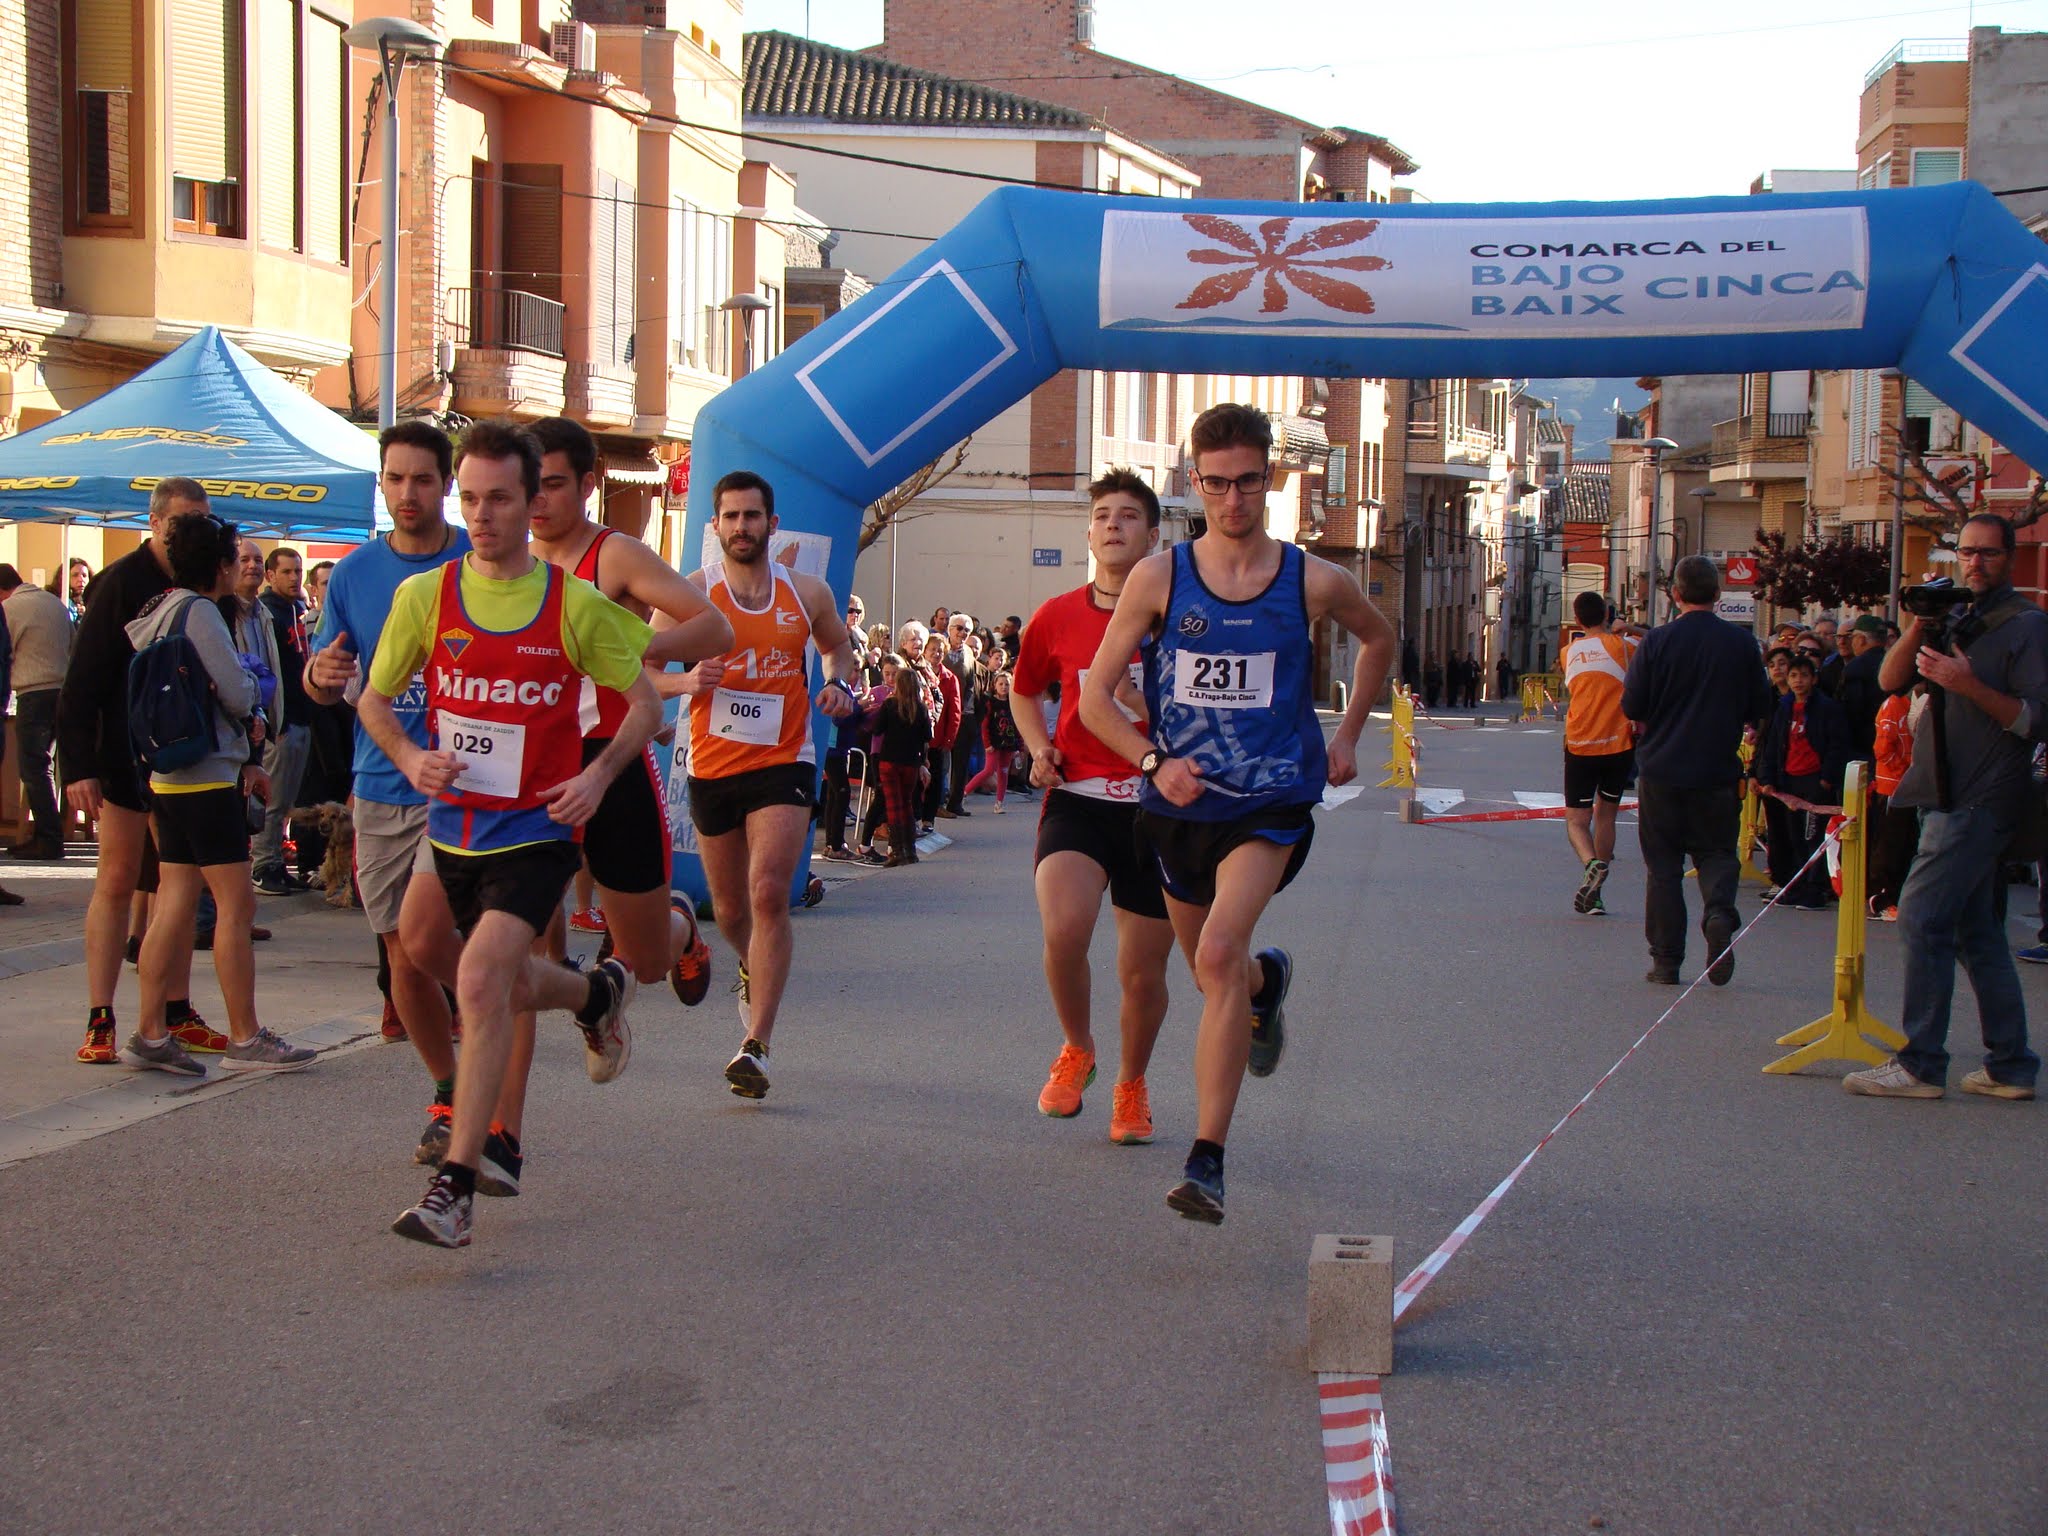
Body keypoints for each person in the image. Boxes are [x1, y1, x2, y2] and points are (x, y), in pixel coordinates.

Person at [1080, 404, 1396, 1224]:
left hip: (1272, 798)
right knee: (1215, 971)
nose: (1232, 500)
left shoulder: (1312, 579)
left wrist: (1349, 734)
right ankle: (1267, 986)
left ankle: (1207, 1160)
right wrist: (1153, 761)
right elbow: (1091, 699)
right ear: (1195, 483)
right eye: (1215, 485)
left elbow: (1380, 640)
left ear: (1269, 480)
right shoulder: (1159, 578)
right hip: (1179, 803)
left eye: (1247, 482)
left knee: (1217, 950)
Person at [362, 419, 656, 1247]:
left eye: (500, 498)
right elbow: (373, 701)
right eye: (471, 498)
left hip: (537, 827)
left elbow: (645, 705)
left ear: (532, 503)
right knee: (421, 948)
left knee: (488, 982)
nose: (482, 514)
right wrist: (412, 755)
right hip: (452, 826)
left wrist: (597, 777)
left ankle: (458, 1185)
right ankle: (596, 994)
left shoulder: (576, 605)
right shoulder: (426, 597)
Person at [303, 422, 472, 1160]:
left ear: (446, 484)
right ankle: (450, 1085)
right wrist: (321, 676)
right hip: (379, 784)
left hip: (469, 784)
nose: (409, 493)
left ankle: (505, 1020)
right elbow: (321, 672)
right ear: (384, 483)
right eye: (395, 479)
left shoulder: (480, 557)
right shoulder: (352, 574)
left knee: (444, 939)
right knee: (402, 956)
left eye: (423, 479)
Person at [527, 416, 730, 1006]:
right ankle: (585, 1007)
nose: (537, 501)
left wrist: (639, 649)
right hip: (531, 764)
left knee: (643, 961)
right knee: (519, 931)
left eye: (554, 484)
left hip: (609, 758)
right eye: (528, 485)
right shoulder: (503, 558)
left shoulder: (613, 555)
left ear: (588, 484)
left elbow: (714, 628)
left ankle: (680, 930)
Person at [1845, 514, 2045, 1101]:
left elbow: (2035, 720)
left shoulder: (2029, 627)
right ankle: (2010, 1065)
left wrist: (1965, 683)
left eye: (1988, 554)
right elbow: (1889, 678)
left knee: (1922, 917)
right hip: (1942, 794)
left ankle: (1921, 1063)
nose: (1975, 563)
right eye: (1968, 553)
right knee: (1975, 933)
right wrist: (1918, 623)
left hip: (1980, 799)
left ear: (2011, 557)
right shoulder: (1957, 618)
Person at [1011, 469, 1176, 1146]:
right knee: (1064, 929)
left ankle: (1131, 1087)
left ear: (1153, 535)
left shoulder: (1179, 620)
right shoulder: (1056, 614)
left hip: (1155, 804)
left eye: (1129, 516)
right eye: (1103, 515)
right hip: (1076, 798)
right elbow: (1024, 691)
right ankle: (1077, 1046)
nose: (1113, 525)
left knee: (1141, 972)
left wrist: (1145, 713)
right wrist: (1037, 745)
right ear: (1088, 532)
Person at [682, 470, 859, 1099]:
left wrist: (839, 683)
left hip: (785, 760)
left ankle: (755, 1044)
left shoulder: (805, 592)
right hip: (713, 766)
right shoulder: (691, 596)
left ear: (771, 524)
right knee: (729, 910)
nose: (741, 527)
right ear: (715, 527)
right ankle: (748, 966)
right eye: (729, 517)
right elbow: (640, 670)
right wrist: (686, 683)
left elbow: (838, 649)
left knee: (765, 894)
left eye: (751, 516)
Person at [119, 514, 316, 1074]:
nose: (240, 565)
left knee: (174, 901)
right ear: (221, 563)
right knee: (235, 905)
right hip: (208, 776)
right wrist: (255, 684)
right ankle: (246, 1035)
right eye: (236, 556)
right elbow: (233, 689)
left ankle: (150, 1031)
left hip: (168, 775)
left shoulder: (156, 609)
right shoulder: (200, 611)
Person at [57, 479, 218, 1063]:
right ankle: (101, 1016)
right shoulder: (120, 583)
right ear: (154, 523)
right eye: (181, 522)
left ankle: (175, 1009)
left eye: (201, 519)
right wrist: (78, 766)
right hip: (123, 760)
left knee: (178, 886)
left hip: (185, 762)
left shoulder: (203, 578)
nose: (192, 531)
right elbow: (82, 682)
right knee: (119, 882)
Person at [1621, 555, 1774, 987]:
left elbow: (1632, 704)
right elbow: (1761, 706)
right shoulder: (1741, 644)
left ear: (1675, 594)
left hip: (1661, 768)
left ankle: (1666, 960)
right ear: (1718, 595)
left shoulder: (1657, 642)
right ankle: (1720, 913)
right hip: (1718, 769)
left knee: (1664, 866)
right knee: (1717, 853)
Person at [1560, 592, 1638, 916]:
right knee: (1606, 815)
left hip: (1580, 742)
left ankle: (1591, 864)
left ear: (1577, 620)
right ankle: (1598, 893)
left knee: (1577, 820)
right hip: (1617, 742)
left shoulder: (1568, 652)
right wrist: (1626, 630)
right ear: (1607, 613)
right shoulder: (1625, 647)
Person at [1754, 651, 1850, 911]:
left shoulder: (1827, 709)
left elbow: (1836, 745)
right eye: (1793, 676)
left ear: (1814, 679)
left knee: (1814, 837)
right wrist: (1768, 778)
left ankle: (1815, 889)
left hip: (1815, 781)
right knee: (1791, 836)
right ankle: (1793, 886)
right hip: (1788, 781)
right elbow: (1773, 744)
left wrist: (1827, 780)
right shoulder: (1784, 707)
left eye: (1804, 676)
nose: (1798, 681)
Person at [252, 546, 314, 894]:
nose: (294, 578)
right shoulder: (267, 614)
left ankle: (274, 860)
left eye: (297, 572)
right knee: (273, 799)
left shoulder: (296, 611)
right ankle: (264, 864)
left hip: (301, 716)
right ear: (271, 575)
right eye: (287, 572)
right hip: (282, 720)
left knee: (287, 799)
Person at [1, 563, 73, 859]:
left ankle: (48, 837)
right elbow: (73, 640)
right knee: (56, 768)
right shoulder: (53, 603)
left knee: (33, 769)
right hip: (64, 691)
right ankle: (55, 832)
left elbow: (5, 652)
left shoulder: (10, 609)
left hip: (34, 693)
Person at [871, 652, 931, 867]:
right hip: (911, 762)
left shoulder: (890, 706)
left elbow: (878, 730)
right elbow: (927, 737)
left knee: (893, 805)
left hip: (890, 760)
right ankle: (910, 849)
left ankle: (897, 850)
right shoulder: (921, 709)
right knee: (905, 803)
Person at [964, 660, 1023, 811]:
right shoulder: (990, 702)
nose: (1004, 687)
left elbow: (1018, 724)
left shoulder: (1014, 702)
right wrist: (987, 743)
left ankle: (999, 803)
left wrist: (1019, 745)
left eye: (1007, 684)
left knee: (1003, 772)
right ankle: (964, 792)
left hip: (1008, 742)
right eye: (1001, 684)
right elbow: (985, 724)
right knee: (989, 770)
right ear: (995, 685)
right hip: (994, 742)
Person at [1836, 615, 1888, 762]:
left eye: (1853, 638)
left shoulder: (1855, 668)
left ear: (1861, 639)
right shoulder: (1893, 664)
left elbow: (1851, 712)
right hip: (1887, 739)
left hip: (1862, 747)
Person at [304, 560, 334, 627]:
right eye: (326, 583)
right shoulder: (305, 626)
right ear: (314, 590)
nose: (334, 586)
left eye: (337, 581)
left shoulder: (353, 620)